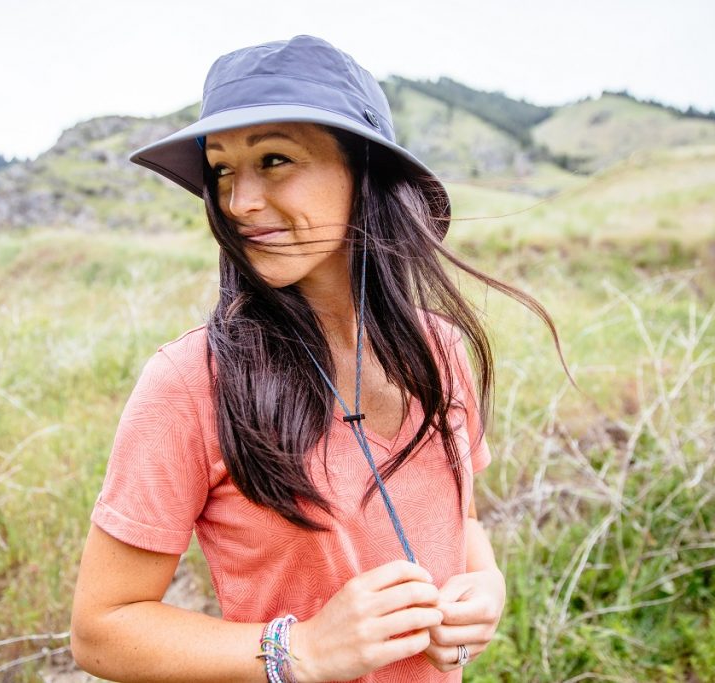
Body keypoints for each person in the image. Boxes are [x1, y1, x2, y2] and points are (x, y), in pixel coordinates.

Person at [71, 35, 565, 682]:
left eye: (274, 159)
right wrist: (298, 650)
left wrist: (486, 585)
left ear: (366, 175)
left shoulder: (441, 352)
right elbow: (101, 630)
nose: (237, 200)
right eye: (221, 168)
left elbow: (461, 517)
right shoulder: (190, 383)